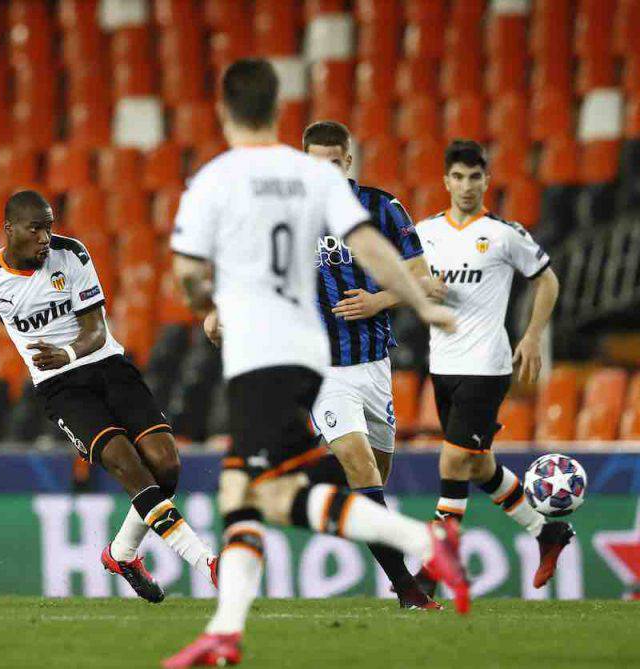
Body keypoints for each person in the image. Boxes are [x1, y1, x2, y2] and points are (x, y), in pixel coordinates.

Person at [164, 59, 468, 667]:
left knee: (259, 493)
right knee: (253, 493)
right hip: (312, 355)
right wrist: (420, 306)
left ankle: (421, 541)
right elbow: (372, 249)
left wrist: (211, 302)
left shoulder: (214, 181)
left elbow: (189, 278)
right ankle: (227, 631)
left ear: (223, 111)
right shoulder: (311, 181)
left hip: (266, 356)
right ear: (278, 111)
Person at [0, 190, 217, 603]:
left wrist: (63, 352)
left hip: (106, 366)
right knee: (125, 463)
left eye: (49, 226)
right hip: (61, 389)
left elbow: (95, 330)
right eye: (35, 228)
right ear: (9, 230)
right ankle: (208, 563)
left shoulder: (72, 255)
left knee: (166, 467)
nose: (46, 236)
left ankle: (122, 553)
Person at [412, 140, 573, 596]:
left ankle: (436, 565)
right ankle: (547, 532)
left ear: (487, 180)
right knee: (479, 466)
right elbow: (406, 283)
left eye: (475, 177)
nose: (466, 186)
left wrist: (532, 335)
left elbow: (547, 281)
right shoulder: (424, 234)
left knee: (453, 458)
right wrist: (423, 290)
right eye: (458, 177)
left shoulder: (504, 234)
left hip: (487, 362)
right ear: (445, 181)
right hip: (442, 363)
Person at [302, 120, 444, 609]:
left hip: (373, 366)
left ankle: (316, 492)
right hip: (321, 371)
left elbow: (424, 279)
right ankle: (409, 587)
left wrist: (378, 300)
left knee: (373, 477)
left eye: (333, 164)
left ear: (347, 162)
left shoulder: (382, 208)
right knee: (359, 465)